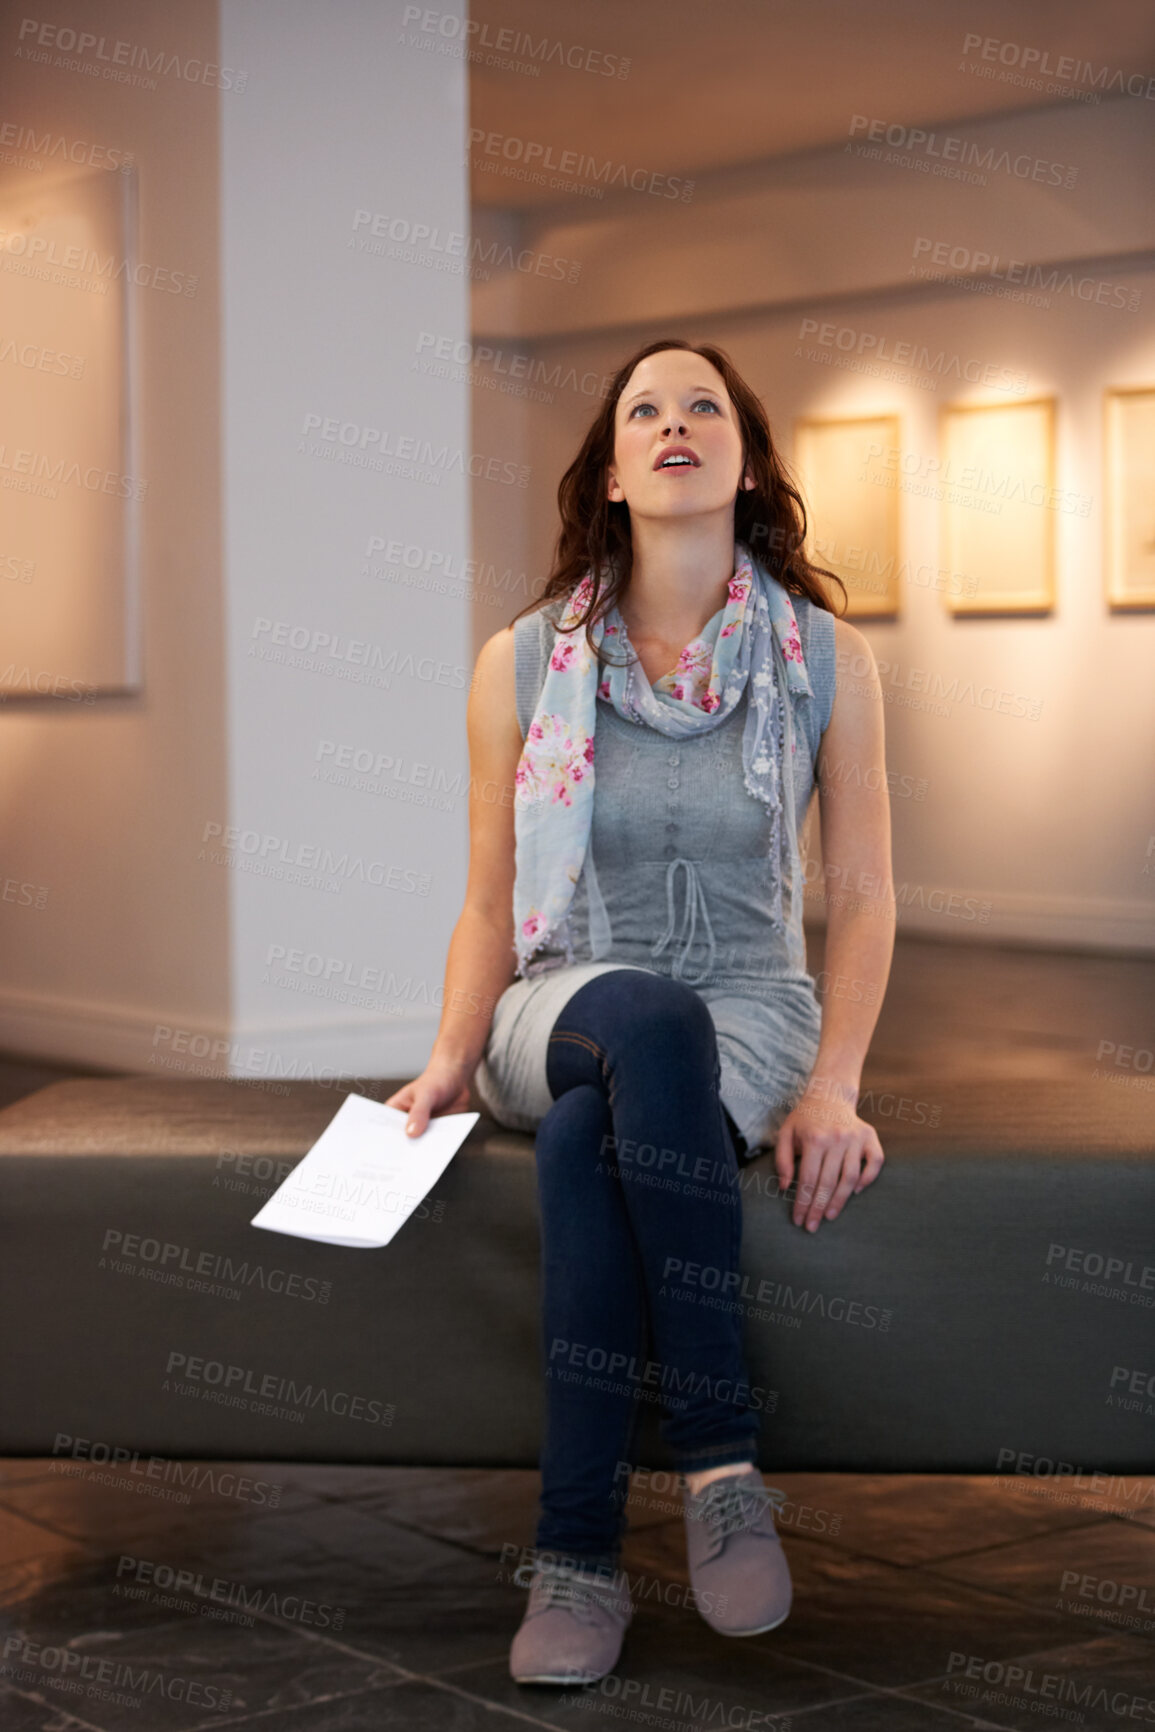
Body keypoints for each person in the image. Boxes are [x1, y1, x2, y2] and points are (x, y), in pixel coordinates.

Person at [387, 338, 895, 1687]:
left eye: (703, 407)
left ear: (746, 457)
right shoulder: (521, 661)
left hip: (749, 1016)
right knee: (639, 1023)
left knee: (583, 1144)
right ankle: (722, 1462)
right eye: (644, 412)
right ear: (610, 475)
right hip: (556, 1001)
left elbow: (865, 895)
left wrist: (834, 1082)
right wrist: (446, 1061)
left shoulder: (827, 661)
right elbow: (492, 906)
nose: (674, 424)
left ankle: (576, 1559)